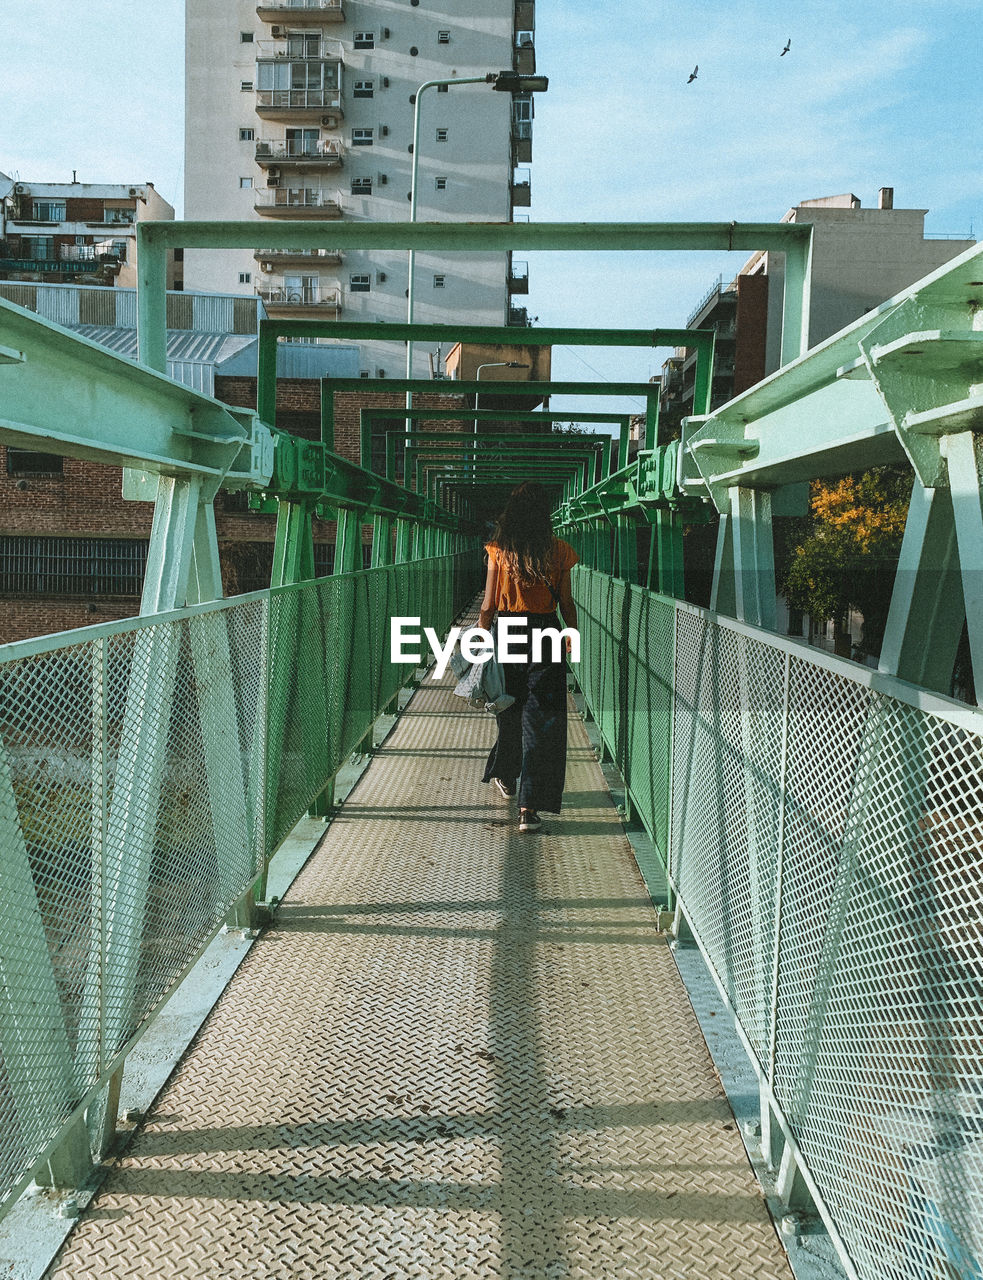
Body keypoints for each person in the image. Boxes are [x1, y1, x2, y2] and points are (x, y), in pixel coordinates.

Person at [479, 481, 579, 832]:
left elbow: (489, 604)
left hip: (507, 630)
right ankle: (529, 807)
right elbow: (565, 602)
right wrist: (571, 633)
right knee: (543, 717)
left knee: (510, 706)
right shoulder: (560, 551)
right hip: (547, 631)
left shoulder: (498, 551)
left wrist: (481, 636)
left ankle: (505, 775)